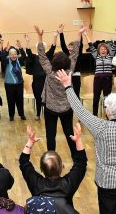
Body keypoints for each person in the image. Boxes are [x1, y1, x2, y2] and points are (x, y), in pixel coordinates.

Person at [56, 62, 116, 214]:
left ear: (108, 111)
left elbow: (79, 109)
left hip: (108, 182)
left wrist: (68, 86)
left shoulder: (100, 127)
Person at [19, 125, 87, 213]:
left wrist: (30, 142)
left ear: (41, 169)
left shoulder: (36, 184)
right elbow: (81, 163)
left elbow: (24, 162)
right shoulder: (68, 184)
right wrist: (78, 140)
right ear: (61, 167)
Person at [35, 25, 80, 156]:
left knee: (51, 135)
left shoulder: (50, 72)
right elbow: (75, 52)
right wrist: (79, 34)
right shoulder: (69, 71)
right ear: (67, 62)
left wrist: (40, 36)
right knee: (69, 133)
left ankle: (51, 158)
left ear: (53, 62)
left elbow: (42, 56)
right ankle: (76, 158)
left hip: (50, 109)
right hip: (66, 108)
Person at [83, 28, 116, 116]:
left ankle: (108, 114)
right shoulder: (96, 56)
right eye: (101, 49)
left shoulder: (110, 56)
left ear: (107, 50)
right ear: (99, 50)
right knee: (96, 97)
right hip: (98, 78)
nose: (103, 50)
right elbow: (90, 45)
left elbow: (114, 46)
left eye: (105, 49)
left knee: (107, 97)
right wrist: (86, 35)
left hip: (107, 78)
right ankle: (94, 115)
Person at [24, 33, 56, 120]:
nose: (40, 49)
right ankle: (38, 114)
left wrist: (55, 37)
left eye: (42, 47)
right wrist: (27, 41)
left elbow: (53, 48)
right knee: (38, 98)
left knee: (47, 99)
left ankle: (47, 114)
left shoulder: (47, 56)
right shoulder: (34, 57)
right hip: (37, 82)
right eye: (39, 47)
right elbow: (28, 52)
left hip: (46, 82)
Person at [0, 40, 26, 121]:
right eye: (11, 54)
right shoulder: (7, 61)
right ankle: (11, 115)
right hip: (9, 84)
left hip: (19, 84)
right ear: (9, 55)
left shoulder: (19, 60)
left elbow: (24, 56)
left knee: (20, 100)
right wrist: (5, 49)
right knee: (10, 100)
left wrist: (20, 47)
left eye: (15, 54)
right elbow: (1, 57)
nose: (13, 56)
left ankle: (21, 114)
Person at [58, 24, 84, 98]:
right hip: (67, 76)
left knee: (76, 94)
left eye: (72, 47)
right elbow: (63, 44)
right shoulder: (66, 54)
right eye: (69, 47)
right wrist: (61, 33)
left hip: (76, 75)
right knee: (68, 94)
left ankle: (76, 108)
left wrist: (81, 33)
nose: (70, 48)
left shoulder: (77, 54)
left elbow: (80, 44)